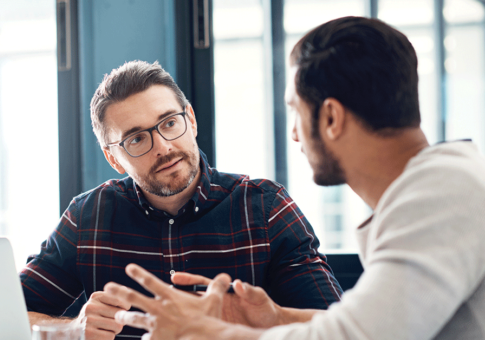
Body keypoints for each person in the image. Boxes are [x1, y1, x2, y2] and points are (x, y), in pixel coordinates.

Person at [104, 16, 485, 340]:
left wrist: (209, 331)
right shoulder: (440, 185)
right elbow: (372, 323)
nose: (295, 135)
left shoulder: (441, 194)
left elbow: (357, 337)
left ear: (331, 118)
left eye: (295, 111)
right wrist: (275, 319)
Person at [20, 60, 342, 339]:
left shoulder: (266, 208)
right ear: (114, 159)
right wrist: (73, 330)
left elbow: (341, 329)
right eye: (136, 138)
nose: (163, 147)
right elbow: (9, 314)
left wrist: (262, 325)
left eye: (169, 123)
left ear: (191, 119)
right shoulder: (86, 218)